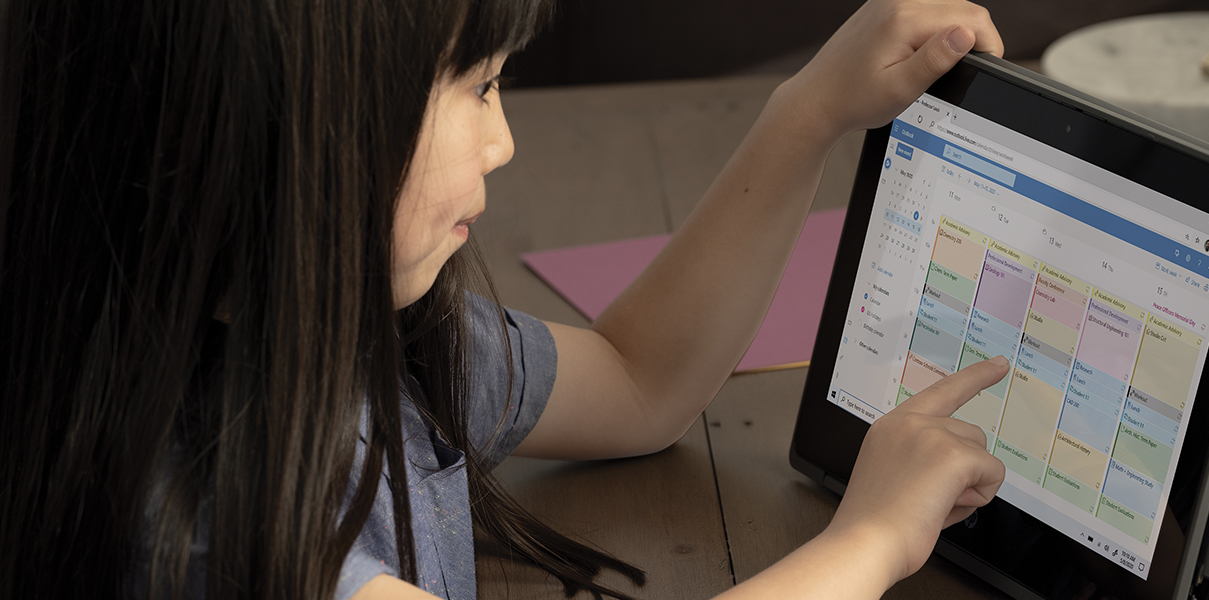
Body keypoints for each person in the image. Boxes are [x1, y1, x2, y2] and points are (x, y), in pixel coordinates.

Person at [0, 0, 1007, 598]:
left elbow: (640, 382)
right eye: (478, 86)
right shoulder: (219, 547)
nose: (502, 140)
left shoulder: (361, 347)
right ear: (296, 145)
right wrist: (871, 543)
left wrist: (810, 111)